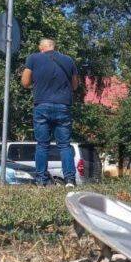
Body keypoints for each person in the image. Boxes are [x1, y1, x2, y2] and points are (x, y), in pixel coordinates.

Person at [21, 38, 80, 186]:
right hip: (63, 106)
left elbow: (25, 82)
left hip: (42, 105)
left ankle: (41, 179)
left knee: (42, 144)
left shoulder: (33, 58)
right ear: (54, 47)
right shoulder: (68, 60)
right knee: (65, 145)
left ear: (41, 48)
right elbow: (75, 86)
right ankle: (70, 179)